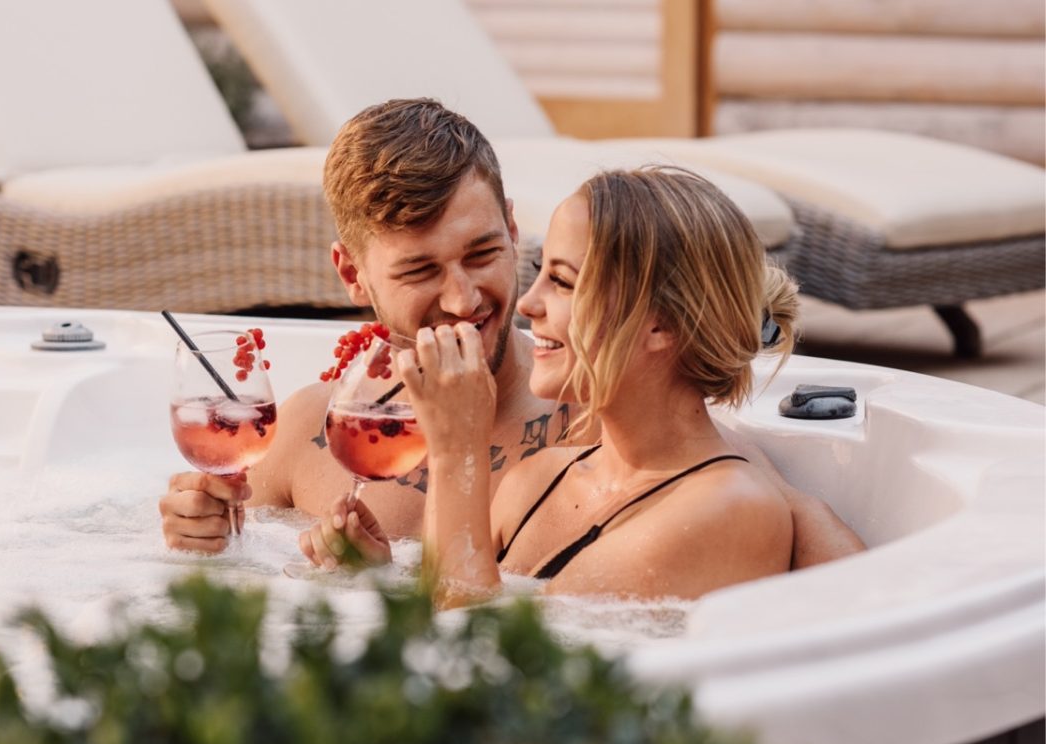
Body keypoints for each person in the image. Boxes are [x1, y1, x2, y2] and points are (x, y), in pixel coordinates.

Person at [158, 98, 862, 571]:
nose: (466, 299)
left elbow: (823, 563)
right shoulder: (314, 431)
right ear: (352, 275)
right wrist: (210, 538)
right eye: (422, 269)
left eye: (483, 254)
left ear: (513, 229)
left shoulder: (607, 418)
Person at [374, 166, 814, 606]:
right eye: (537, 269)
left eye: (563, 282)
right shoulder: (533, 481)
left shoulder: (731, 509)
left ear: (660, 323)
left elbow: (474, 657)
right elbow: (431, 613)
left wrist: (457, 453)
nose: (527, 303)